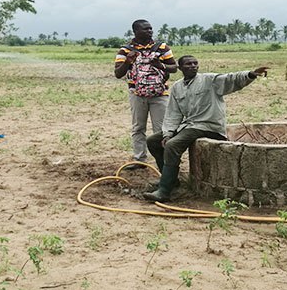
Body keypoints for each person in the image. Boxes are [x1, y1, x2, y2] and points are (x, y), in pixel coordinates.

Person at [143, 55, 269, 202]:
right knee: (153, 141)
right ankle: (172, 181)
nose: (193, 66)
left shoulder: (209, 80)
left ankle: (164, 191)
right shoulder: (178, 87)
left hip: (208, 125)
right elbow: (173, 113)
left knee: (172, 145)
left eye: (195, 63)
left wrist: (250, 74)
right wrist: (168, 133)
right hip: (189, 125)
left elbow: (230, 79)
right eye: (189, 64)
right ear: (180, 68)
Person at [114, 20, 178, 162]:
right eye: (145, 29)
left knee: (161, 130)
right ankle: (140, 159)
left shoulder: (162, 47)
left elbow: (174, 67)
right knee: (138, 128)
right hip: (137, 95)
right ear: (135, 31)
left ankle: (163, 161)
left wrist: (160, 65)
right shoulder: (125, 51)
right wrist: (127, 62)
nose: (150, 31)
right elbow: (118, 74)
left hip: (160, 94)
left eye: (150, 29)